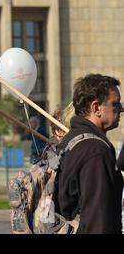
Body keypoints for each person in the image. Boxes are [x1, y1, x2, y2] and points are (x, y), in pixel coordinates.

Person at [55, 74, 124, 234]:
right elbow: (97, 221)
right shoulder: (95, 151)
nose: (121, 109)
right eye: (115, 104)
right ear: (96, 108)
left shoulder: (70, 141)